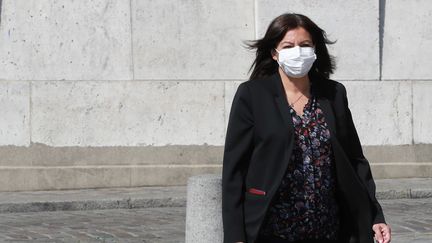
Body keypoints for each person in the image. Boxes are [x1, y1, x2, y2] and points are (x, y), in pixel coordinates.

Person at [221, 13, 391, 243]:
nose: (298, 51)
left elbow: (355, 160)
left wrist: (375, 215)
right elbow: (234, 170)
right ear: (274, 52)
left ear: (315, 50)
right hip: (272, 231)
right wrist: (235, 237)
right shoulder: (252, 95)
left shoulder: (333, 94)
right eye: (288, 46)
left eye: (305, 45)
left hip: (329, 229)